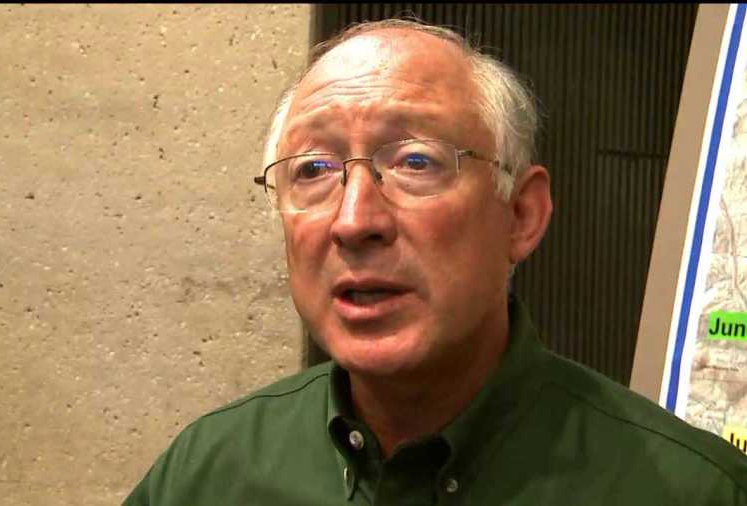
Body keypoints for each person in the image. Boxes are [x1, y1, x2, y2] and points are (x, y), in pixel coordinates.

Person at [124, 19, 747, 505]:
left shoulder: (686, 489)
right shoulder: (208, 472)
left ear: (522, 216)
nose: (354, 220)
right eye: (313, 170)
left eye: (415, 161)